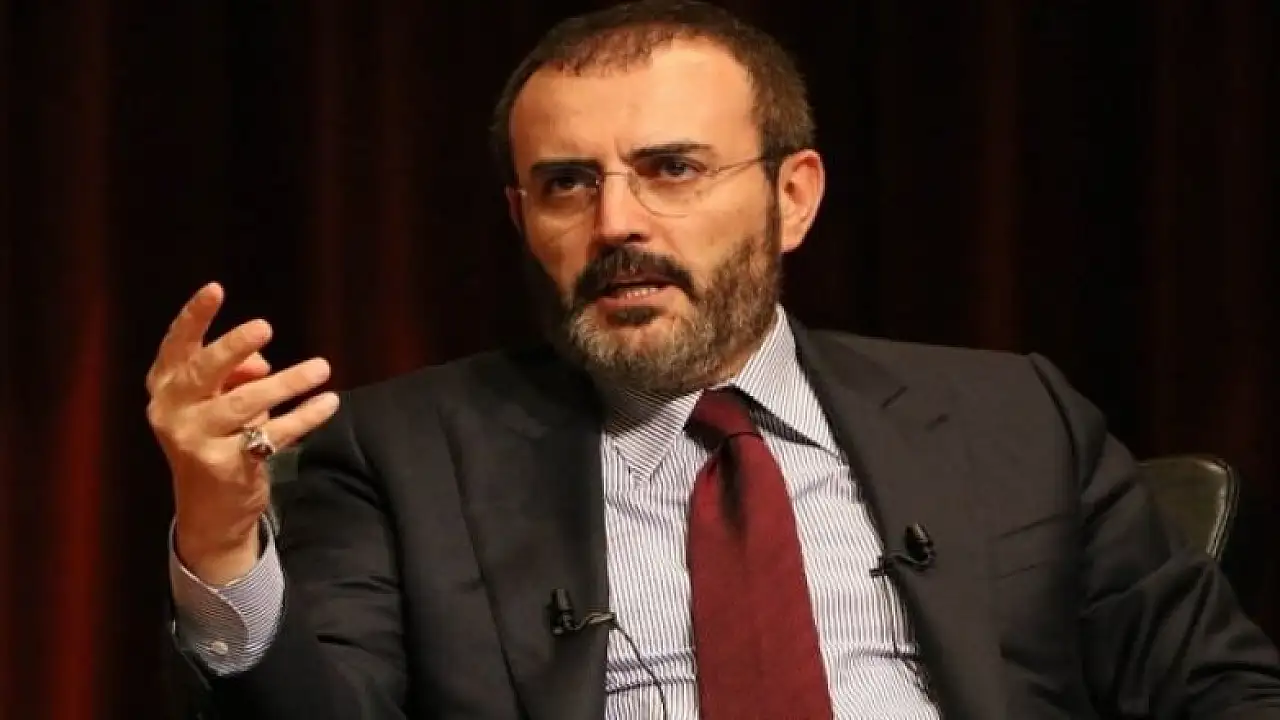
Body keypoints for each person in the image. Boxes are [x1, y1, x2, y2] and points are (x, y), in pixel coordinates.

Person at [150, 1, 1280, 718]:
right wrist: (218, 534)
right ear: (521, 219)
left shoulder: (1010, 419)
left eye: (673, 169)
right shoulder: (402, 455)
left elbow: (1219, 688)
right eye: (567, 184)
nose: (616, 223)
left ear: (793, 197)